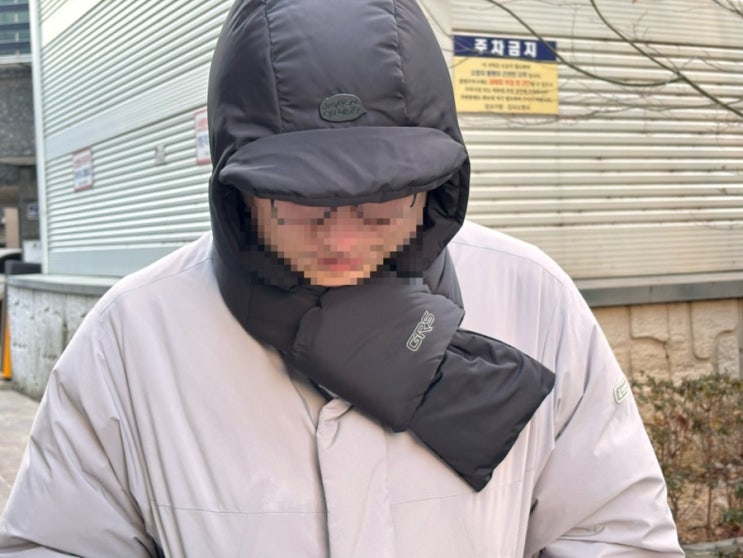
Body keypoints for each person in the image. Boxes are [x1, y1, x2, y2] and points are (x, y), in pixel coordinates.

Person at [0, 0, 683, 556]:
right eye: (300, 205)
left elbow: (614, 534)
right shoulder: (131, 337)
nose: (343, 241)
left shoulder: (533, 298)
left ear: (435, 185)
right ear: (237, 194)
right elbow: (57, 543)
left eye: (381, 204)